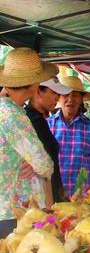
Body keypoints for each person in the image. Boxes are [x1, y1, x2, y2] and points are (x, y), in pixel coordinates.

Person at [0, 48, 56, 237]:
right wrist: (39, 165)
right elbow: (43, 164)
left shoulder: (5, 109)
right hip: (12, 211)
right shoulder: (12, 115)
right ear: (33, 85)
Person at [48, 76, 90, 198]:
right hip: (52, 193)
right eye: (66, 95)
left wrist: (82, 188)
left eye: (75, 95)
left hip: (80, 195)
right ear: (59, 97)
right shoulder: (47, 125)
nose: (70, 99)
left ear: (82, 99)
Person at [25, 76, 72, 202]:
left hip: (49, 192)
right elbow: (42, 164)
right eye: (53, 92)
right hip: (41, 196)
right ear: (38, 91)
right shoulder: (33, 120)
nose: (57, 97)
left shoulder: (38, 119)